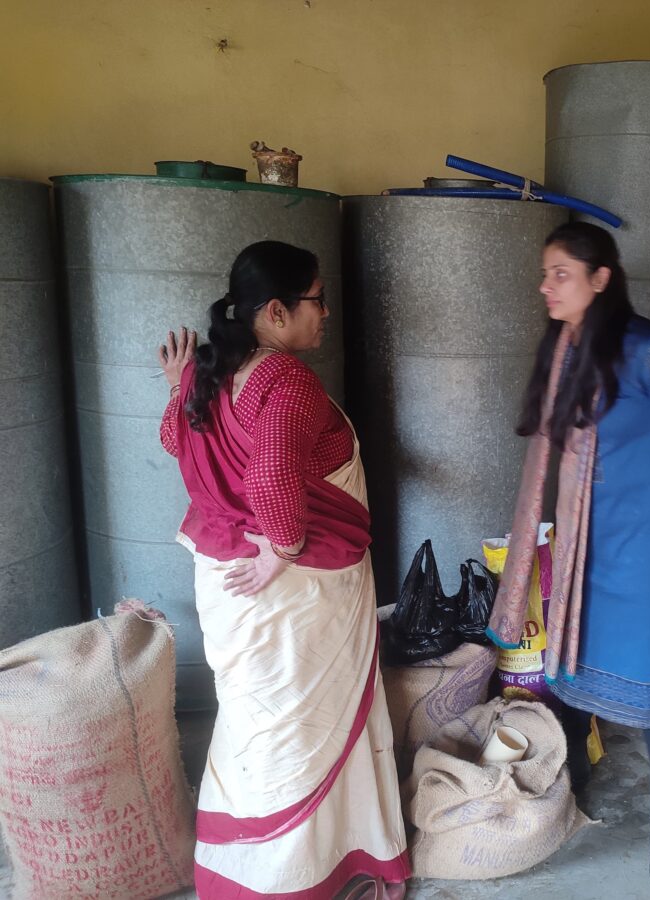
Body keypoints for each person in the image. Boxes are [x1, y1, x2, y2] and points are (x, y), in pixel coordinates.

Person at [157, 240, 409, 899]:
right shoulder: (286, 380)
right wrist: (284, 548)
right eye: (317, 300)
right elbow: (270, 478)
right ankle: (299, 875)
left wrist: (177, 386)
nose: (324, 313)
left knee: (258, 728)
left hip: (228, 579)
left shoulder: (213, 371)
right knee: (304, 729)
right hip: (295, 587)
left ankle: (248, 870)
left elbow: (174, 439)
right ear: (276, 311)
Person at [487, 221, 650, 891]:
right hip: (586, 528)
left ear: (601, 278)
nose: (546, 285)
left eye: (560, 273)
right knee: (574, 643)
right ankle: (573, 769)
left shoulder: (648, 351)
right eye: (546, 273)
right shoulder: (565, 347)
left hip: (645, 533)